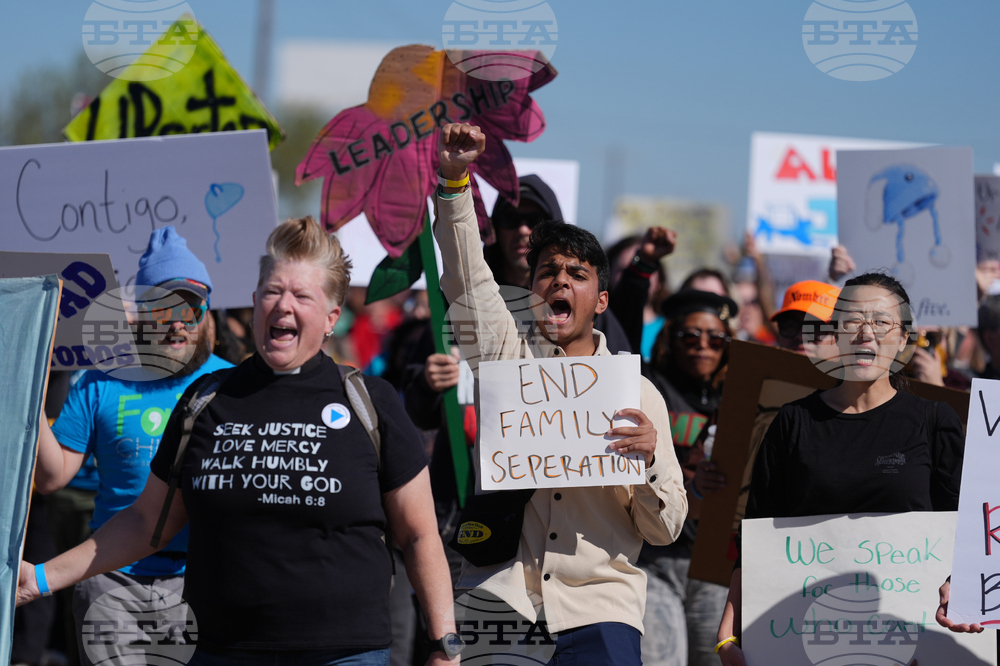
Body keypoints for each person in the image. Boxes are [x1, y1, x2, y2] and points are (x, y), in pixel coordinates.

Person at [19, 217, 458, 666]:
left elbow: (419, 534)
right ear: (254, 301)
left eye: (302, 295)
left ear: (331, 318)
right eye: (272, 291)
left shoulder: (370, 402)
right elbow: (146, 521)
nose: (283, 305)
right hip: (222, 651)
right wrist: (41, 577)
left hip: (344, 653)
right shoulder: (206, 400)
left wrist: (444, 644)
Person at [434, 122, 686, 665]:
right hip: (502, 602)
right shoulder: (506, 362)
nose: (561, 281)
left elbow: (665, 530)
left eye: (577, 273)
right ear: (531, 291)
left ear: (601, 301)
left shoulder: (638, 395)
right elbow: (466, 280)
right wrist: (454, 184)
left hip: (602, 611)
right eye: (548, 271)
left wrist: (645, 464)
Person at [716, 272, 965, 666]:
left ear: (904, 338)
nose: (866, 333)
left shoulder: (935, 422)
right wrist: (727, 632)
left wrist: (959, 586)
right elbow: (757, 535)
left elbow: (966, 534)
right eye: (853, 321)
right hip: (803, 641)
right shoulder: (793, 422)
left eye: (881, 321)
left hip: (915, 644)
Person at [32, 226, 233, 666]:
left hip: (202, 581)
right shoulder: (100, 381)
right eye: (163, 308)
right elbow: (51, 477)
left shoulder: (232, 385)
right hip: (111, 579)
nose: (178, 322)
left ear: (206, 314)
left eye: (190, 308)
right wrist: (29, 390)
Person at [633, 289, 737, 666]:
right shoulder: (648, 385)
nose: (703, 346)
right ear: (670, 339)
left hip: (714, 563)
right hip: (655, 557)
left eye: (716, 338)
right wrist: (640, 270)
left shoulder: (740, 395)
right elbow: (621, 319)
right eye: (690, 336)